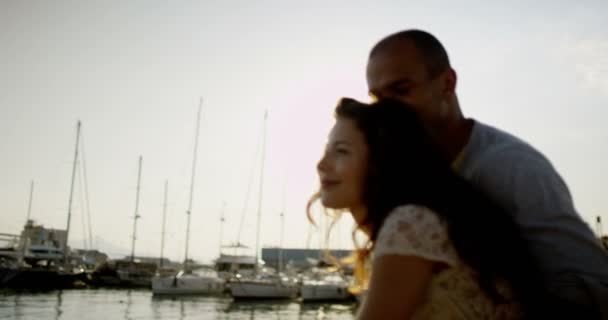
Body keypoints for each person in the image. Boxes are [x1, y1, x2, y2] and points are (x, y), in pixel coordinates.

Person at [365, 29, 608, 317]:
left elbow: (589, 286)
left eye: (401, 90)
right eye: (378, 98)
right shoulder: (412, 175)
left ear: (447, 82)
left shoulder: (510, 166)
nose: (387, 110)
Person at [312, 98, 544, 319]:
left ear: (380, 161)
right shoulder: (422, 219)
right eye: (326, 150)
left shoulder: (410, 224)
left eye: (340, 151)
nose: (321, 164)